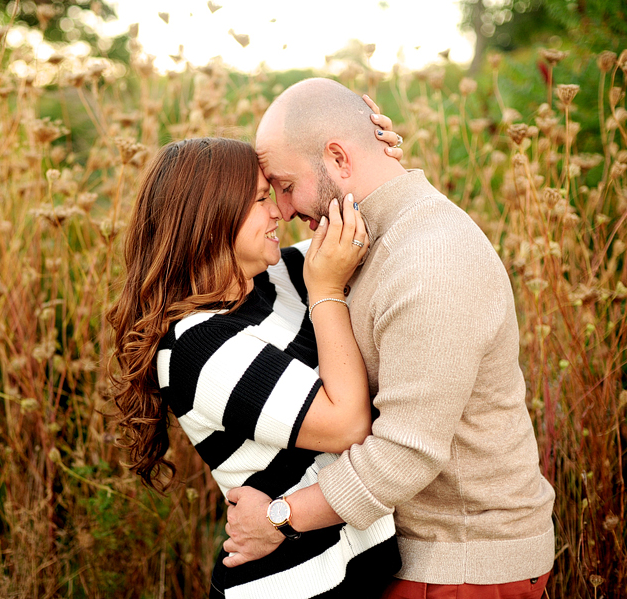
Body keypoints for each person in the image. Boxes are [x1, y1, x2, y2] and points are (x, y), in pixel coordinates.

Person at [223, 78, 556, 599]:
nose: (283, 211)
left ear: (337, 157)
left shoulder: (430, 259)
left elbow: (406, 454)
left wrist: (280, 518)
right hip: (414, 557)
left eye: (286, 186)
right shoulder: (355, 238)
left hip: (460, 565)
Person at [107, 137, 404, 598]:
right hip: (292, 585)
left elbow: (368, 226)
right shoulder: (196, 347)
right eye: (261, 200)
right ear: (211, 220)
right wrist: (326, 288)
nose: (279, 214)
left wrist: (371, 150)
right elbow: (346, 425)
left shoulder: (275, 276)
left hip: (353, 573)